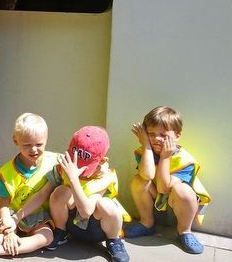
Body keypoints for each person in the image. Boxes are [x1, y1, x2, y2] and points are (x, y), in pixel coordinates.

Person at [0, 113, 58, 261]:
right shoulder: (7, 173)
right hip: (9, 213)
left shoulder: (53, 161)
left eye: (39, 144)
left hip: (37, 215)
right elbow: (3, 204)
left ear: (46, 140)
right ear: (16, 141)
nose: (34, 149)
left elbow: (75, 159)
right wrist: (9, 231)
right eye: (27, 145)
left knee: (47, 237)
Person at [124, 106, 210, 255]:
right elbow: (147, 175)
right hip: (156, 195)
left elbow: (164, 188)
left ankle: (184, 231)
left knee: (183, 190)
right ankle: (147, 223)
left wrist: (165, 157)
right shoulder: (145, 151)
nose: (157, 139)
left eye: (163, 135)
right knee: (139, 181)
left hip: (176, 200)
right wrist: (146, 145)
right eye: (151, 134)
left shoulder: (185, 160)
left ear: (177, 135)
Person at [48, 126, 131, 262]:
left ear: (102, 161)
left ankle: (114, 241)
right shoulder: (64, 167)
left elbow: (86, 211)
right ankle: (60, 232)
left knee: (106, 204)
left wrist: (74, 179)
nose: (77, 169)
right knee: (61, 192)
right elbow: (45, 193)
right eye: (75, 163)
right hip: (72, 226)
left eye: (83, 167)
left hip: (96, 229)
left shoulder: (105, 177)